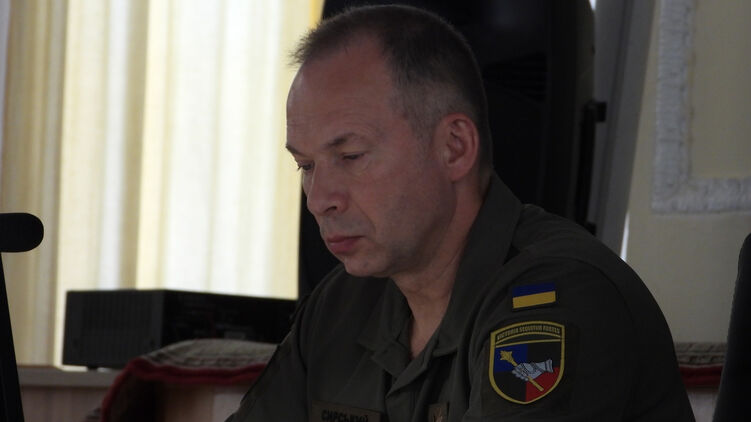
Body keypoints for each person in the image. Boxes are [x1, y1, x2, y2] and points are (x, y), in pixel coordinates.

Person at [228, 5, 694, 421]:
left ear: (454, 147)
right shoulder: (341, 304)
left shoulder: (560, 295)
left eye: (350, 156)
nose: (318, 199)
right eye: (306, 166)